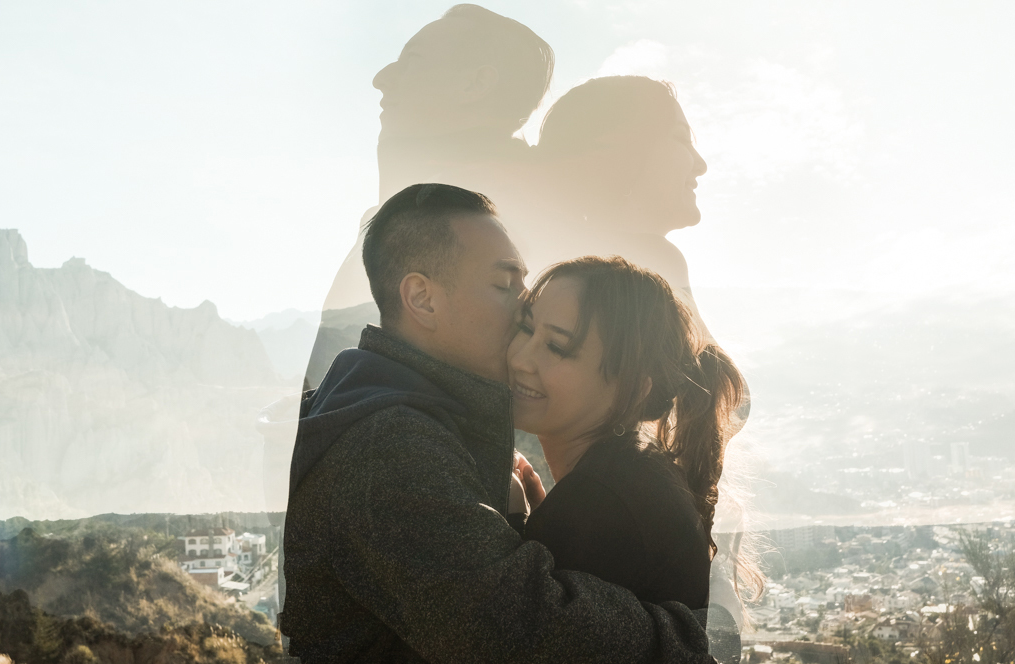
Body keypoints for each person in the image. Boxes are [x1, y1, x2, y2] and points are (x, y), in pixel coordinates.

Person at [280, 183, 716, 663]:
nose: (523, 304)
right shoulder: (389, 445)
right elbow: (516, 630)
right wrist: (690, 640)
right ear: (422, 299)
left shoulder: (392, 414)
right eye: (504, 284)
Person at [506, 256, 762, 636]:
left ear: (631, 389)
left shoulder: (599, 504)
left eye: (557, 347)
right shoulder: (632, 478)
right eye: (525, 329)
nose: (520, 358)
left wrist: (515, 529)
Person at [312, 4, 555, 362]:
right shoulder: (450, 197)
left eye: (412, 61)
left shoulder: (496, 214)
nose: (382, 77)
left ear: (475, 84)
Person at [528, 75, 708, 328]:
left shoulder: (548, 260)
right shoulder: (650, 262)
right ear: (616, 151)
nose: (701, 165)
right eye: (680, 138)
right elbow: (706, 367)